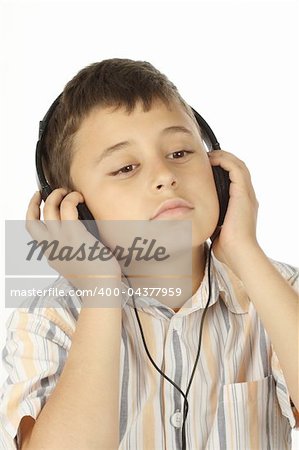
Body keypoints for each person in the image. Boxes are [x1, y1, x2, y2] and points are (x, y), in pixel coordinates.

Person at [0, 58, 298, 450]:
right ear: (76, 211)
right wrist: (101, 290)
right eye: (126, 167)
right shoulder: (47, 321)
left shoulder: (276, 291)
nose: (164, 175)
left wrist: (244, 249)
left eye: (179, 153)